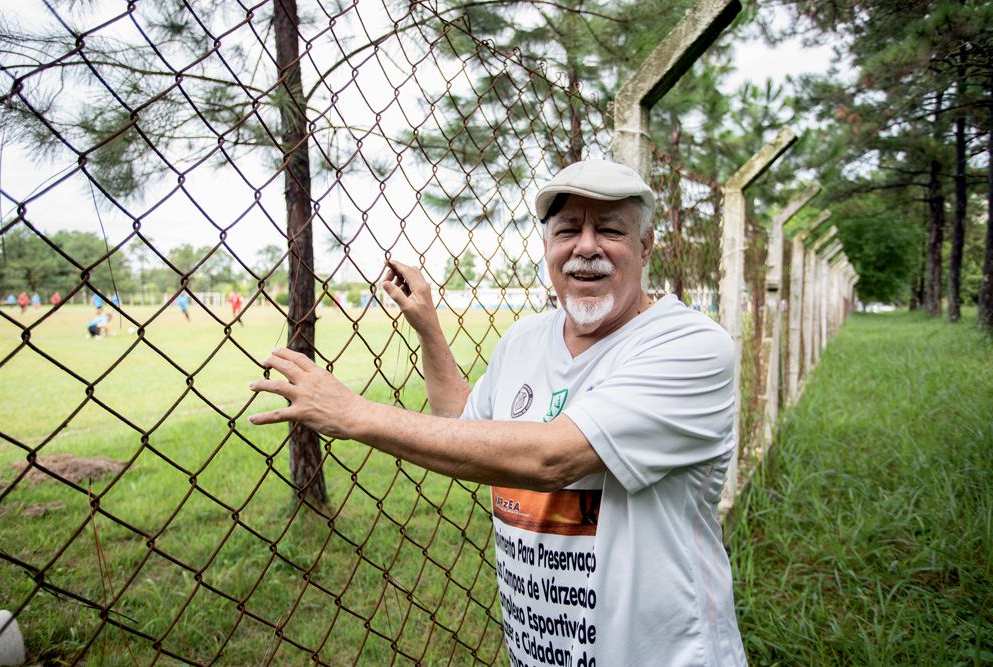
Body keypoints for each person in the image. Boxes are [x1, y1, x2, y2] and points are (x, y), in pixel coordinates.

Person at [248, 160, 746, 666]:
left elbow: (552, 459)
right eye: (568, 230)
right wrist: (428, 328)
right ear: (548, 247)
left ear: (645, 247)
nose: (587, 246)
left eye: (611, 230)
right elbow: (465, 423)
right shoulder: (523, 340)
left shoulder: (691, 346)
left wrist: (354, 414)